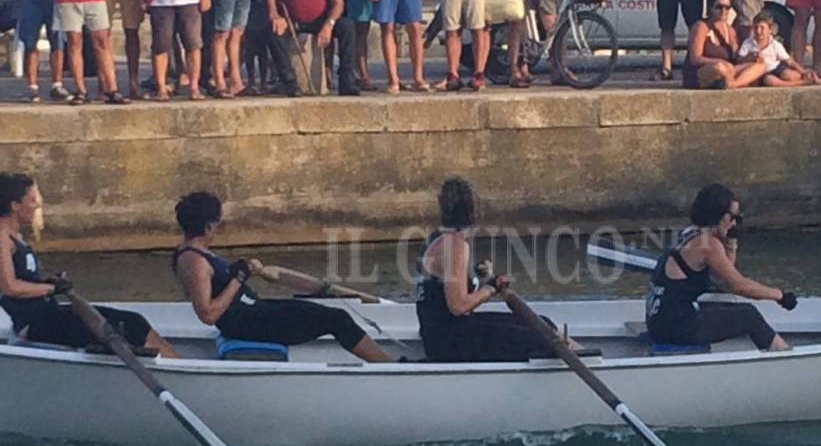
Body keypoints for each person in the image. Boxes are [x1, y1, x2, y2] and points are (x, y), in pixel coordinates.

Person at [172, 191, 390, 362]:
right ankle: (390, 368)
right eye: (217, 223)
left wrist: (239, 273)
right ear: (209, 225)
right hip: (249, 324)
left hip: (255, 312)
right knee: (337, 319)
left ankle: (387, 363)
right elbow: (208, 315)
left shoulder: (194, 252)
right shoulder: (195, 261)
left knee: (318, 307)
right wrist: (238, 278)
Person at [0, 173, 176, 357]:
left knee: (134, 321)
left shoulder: (15, 236)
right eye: (32, 199)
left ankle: (178, 365)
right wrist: (51, 288)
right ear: (14, 205)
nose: (37, 205)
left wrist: (50, 282)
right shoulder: (2, 237)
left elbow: (25, 279)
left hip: (50, 314)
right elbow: (10, 287)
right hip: (35, 324)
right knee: (123, 329)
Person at [415, 177, 558, 362]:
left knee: (542, 324)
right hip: (450, 342)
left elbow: (442, 292)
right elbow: (458, 306)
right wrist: (490, 288)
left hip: (438, 335)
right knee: (543, 339)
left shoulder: (434, 239)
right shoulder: (455, 245)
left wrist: (480, 279)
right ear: (473, 211)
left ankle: (580, 353)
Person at [646, 183, 795, 352]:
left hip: (661, 322)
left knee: (724, 305)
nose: (734, 223)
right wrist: (780, 296)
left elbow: (723, 280)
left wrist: (731, 244)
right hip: (675, 327)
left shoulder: (689, 234)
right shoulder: (708, 245)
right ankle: (785, 356)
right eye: (733, 217)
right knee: (749, 315)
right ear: (719, 214)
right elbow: (739, 286)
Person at [681, 0, 765, 89]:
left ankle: (732, 84)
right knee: (719, 67)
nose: (723, 11)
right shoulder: (701, 26)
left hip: (728, 69)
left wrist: (749, 58)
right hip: (702, 71)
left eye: (727, 8)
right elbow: (695, 59)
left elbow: (736, 58)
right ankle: (739, 81)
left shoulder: (730, 31)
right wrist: (719, 61)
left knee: (760, 66)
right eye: (719, 7)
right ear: (711, 8)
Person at [737, 11, 817, 86]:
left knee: (791, 75)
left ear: (770, 30)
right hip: (760, 72)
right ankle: (801, 83)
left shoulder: (775, 44)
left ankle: (809, 77)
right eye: (756, 27)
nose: (758, 31)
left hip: (776, 67)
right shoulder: (748, 43)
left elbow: (789, 61)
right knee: (770, 80)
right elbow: (739, 59)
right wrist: (751, 57)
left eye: (762, 28)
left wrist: (803, 72)